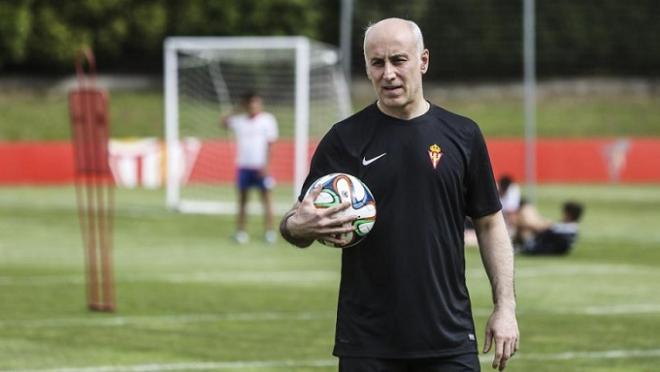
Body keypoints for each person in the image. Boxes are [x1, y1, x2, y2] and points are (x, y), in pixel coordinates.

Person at [279, 18, 519, 371]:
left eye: (398, 60)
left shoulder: (463, 135)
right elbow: (296, 223)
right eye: (377, 63)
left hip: (448, 340)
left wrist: (505, 307)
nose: (388, 73)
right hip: (367, 343)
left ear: (422, 61)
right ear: (367, 67)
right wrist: (298, 227)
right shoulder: (344, 139)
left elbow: (489, 224)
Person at [221, 92, 278, 244]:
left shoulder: (267, 120)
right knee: (242, 201)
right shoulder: (240, 121)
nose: (254, 106)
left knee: (266, 200)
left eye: (256, 103)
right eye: (251, 103)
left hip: (261, 167)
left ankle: (270, 232)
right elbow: (223, 122)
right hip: (244, 167)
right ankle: (241, 232)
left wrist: (266, 166)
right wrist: (237, 108)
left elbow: (270, 145)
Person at [513, 200, 584, 255]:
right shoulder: (572, 228)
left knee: (526, 219)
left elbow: (541, 229)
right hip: (540, 245)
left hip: (534, 247)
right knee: (528, 215)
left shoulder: (566, 228)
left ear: (569, 215)